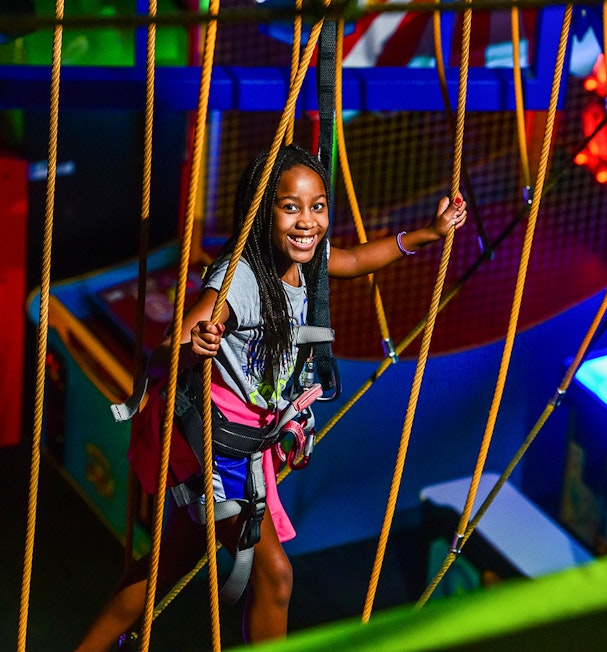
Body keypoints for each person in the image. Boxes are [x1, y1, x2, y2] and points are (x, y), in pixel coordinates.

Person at [75, 143, 466, 651]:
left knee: (167, 567)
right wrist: (195, 347)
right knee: (275, 577)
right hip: (213, 446)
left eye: (318, 206)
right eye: (291, 207)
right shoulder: (240, 279)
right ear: (264, 212)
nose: (308, 222)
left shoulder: (304, 259)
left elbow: (352, 260)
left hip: (246, 445)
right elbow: (164, 355)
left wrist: (427, 235)